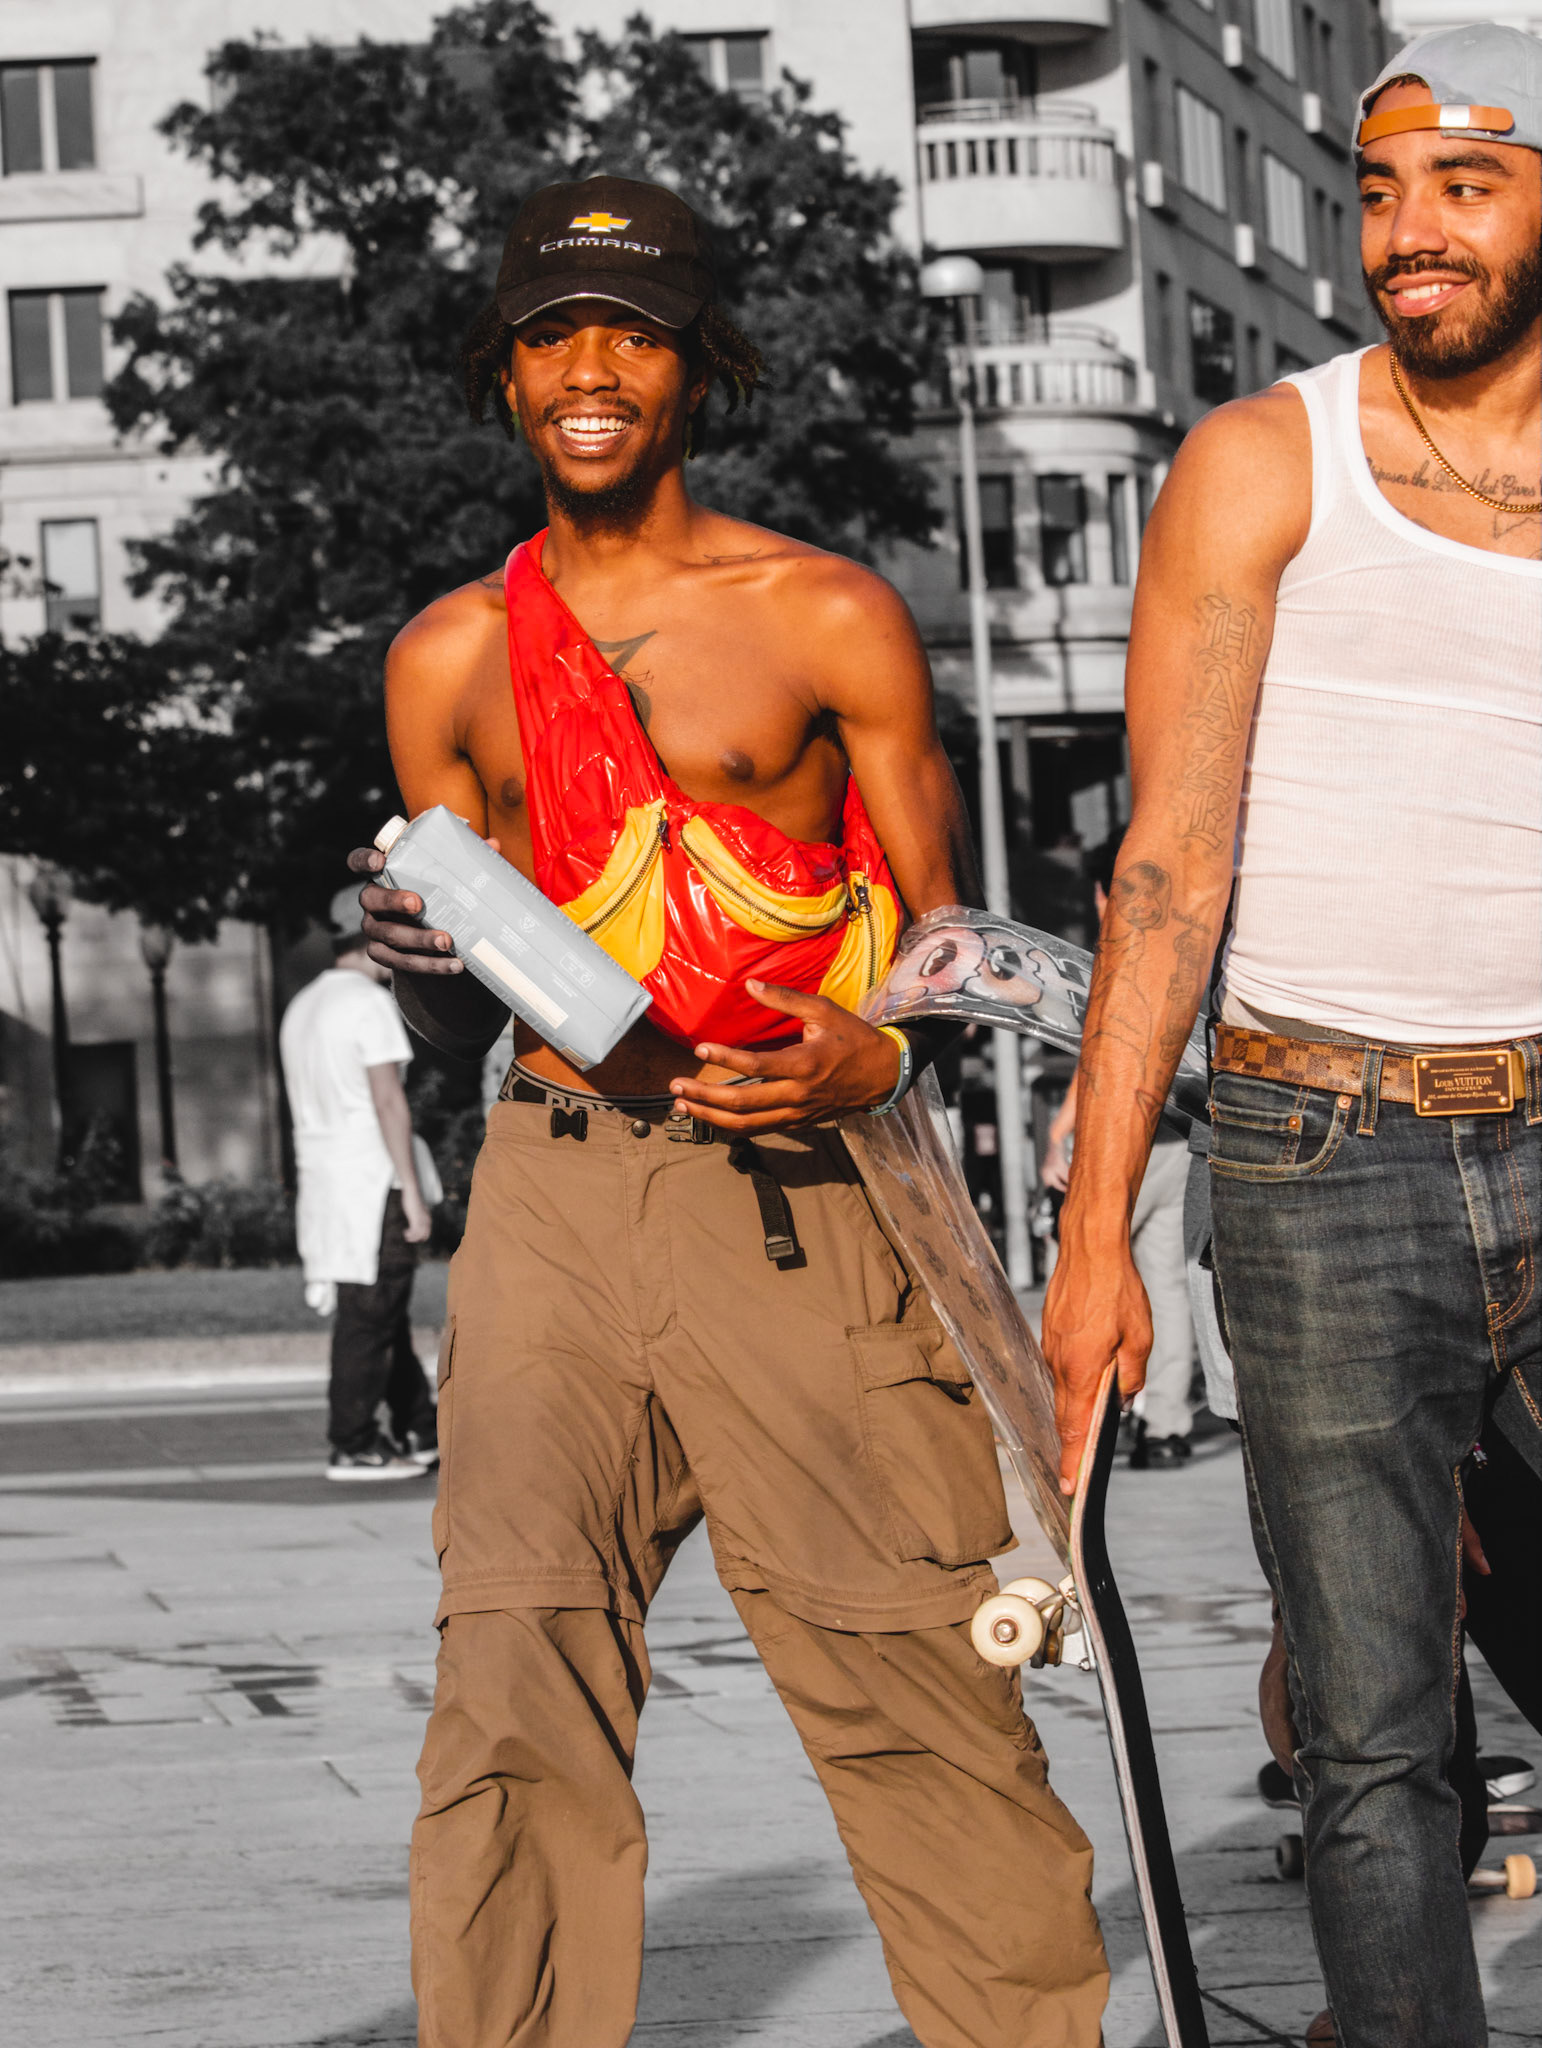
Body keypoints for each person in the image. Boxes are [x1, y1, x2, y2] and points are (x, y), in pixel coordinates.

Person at [350, 176, 1107, 2048]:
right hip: (553, 1188)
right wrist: (414, 954)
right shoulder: (447, 658)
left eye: (633, 334)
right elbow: (474, 998)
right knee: (512, 1680)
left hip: (799, 1199)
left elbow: (952, 942)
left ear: (698, 367)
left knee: (910, 1678)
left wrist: (885, 1055)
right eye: (551, 336)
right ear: (504, 371)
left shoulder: (826, 612)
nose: (589, 372)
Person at [1042, 24, 1540, 2045]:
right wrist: (1092, 1238)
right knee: (1372, 1730)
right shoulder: (1265, 461)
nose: (1409, 229)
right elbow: (1165, 869)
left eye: (1466, 186)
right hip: (1317, 1150)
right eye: (1381, 189)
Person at [1041, 832, 1196, 1468]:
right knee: (1167, 1284)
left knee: (1087, 1272)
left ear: (1108, 892)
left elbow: (1101, 1064)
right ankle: (1166, 1427)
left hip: (1119, 1149)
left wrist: (1059, 1138)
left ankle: (1091, 1413)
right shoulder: (1190, 949)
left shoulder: (1115, 957)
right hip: (1179, 1142)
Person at [279, 886, 441, 1481]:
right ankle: (353, 1442)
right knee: (369, 1316)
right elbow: (388, 1103)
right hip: (374, 1181)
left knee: (379, 1311)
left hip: (326, 1183)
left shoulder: (303, 1006)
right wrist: (413, 1193)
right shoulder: (369, 1004)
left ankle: (421, 1429)